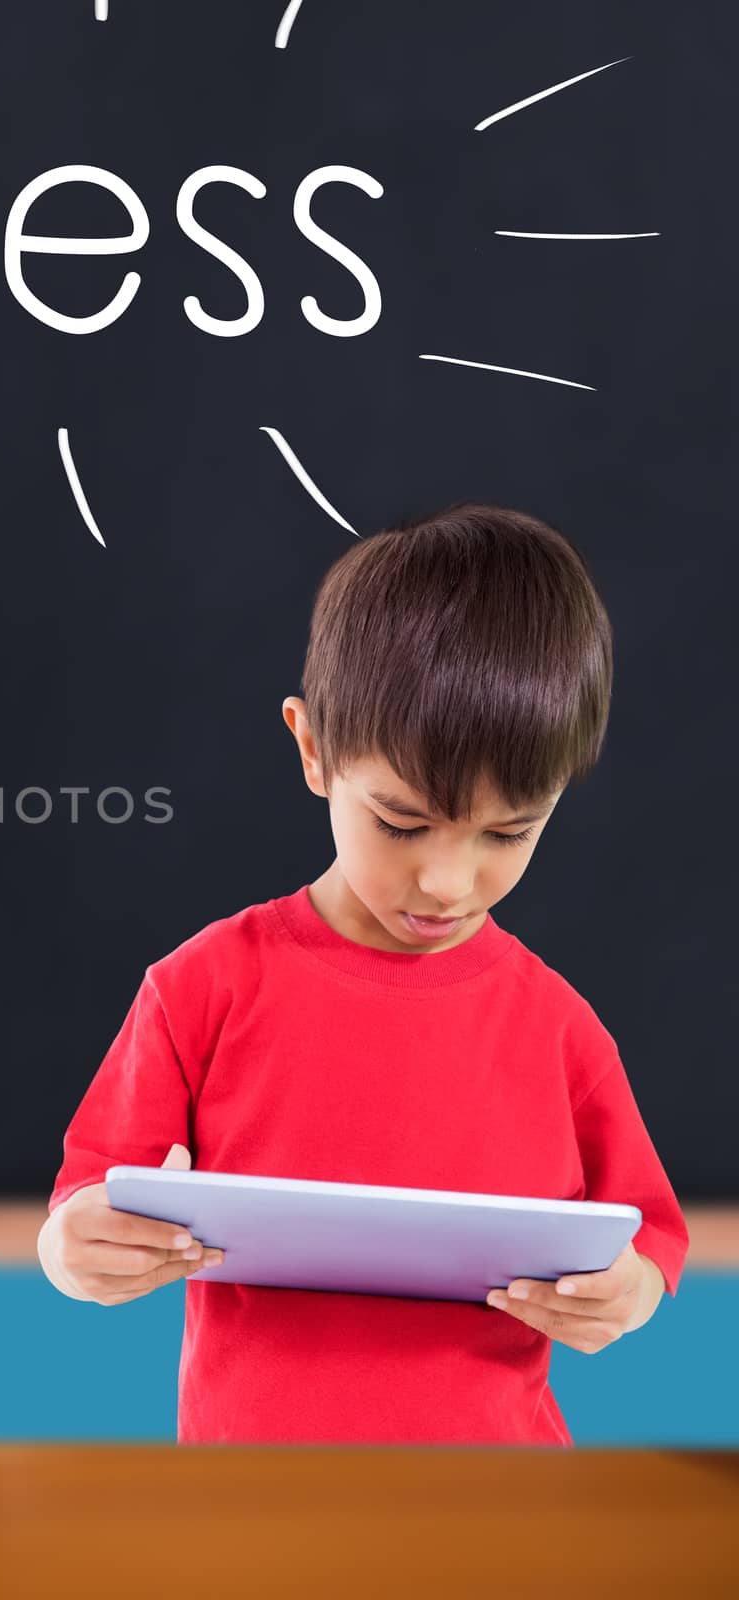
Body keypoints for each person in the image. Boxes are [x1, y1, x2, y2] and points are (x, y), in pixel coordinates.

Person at [37, 502, 689, 1446]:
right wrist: (77, 1252)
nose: (447, 881)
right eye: (400, 821)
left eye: (510, 832)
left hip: (505, 1523)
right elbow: (84, 1209)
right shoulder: (203, 988)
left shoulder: (558, 1028)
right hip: (250, 1524)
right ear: (312, 750)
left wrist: (625, 1295)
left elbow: (648, 1246)